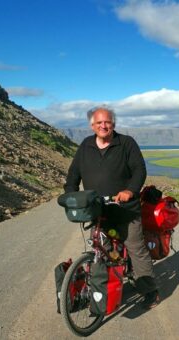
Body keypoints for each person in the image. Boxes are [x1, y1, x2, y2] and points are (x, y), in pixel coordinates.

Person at [64, 106, 159, 309]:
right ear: (92, 125)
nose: (103, 126)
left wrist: (130, 191)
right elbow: (73, 174)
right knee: (102, 249)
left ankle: (150, 291)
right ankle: (108, 288)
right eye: (99, 123)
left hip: (125, 210)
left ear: (113, 124)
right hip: (99, 210)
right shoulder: (86, 146)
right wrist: (70, 195)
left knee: (136, 248)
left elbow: (139, 171)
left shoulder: (126, 143)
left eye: (107, 122)